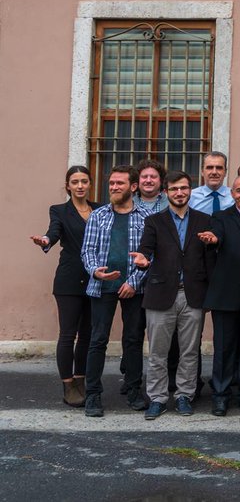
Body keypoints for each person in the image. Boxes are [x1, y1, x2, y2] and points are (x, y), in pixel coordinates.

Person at [130, 171, 211, 420]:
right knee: (158, 351)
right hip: (161, 294)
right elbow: (146, 250)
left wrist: (215, 243)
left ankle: (185, 395)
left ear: (190, 190)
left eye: (184, 188)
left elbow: (210, 258)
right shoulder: (154, 221)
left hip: (193, 295)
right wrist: (143, 261)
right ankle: (157, 397)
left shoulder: (204, 220)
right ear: (166, 192)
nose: (179, 193)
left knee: (189, 351)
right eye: (174, 189)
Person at [80, 165, 152, 417]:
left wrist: (134, 281)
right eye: (111, 183)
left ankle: (133, 390)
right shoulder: (98, 216)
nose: (113, 187)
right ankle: (93, 395)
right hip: (101, 287)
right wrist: (94, 270)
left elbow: (150, 253)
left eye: (119, 184)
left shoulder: (146, 217)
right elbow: (87, 250)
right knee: (97, 340)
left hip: (134, 288)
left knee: (133, 340)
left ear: (133, 187)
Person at [197, 174, 240, 417]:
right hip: (226, 292)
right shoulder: (221, 217)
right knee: (224, 347)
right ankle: (221, 396)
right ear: (232, 193)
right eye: (239, 191)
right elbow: (216, 236)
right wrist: (213, 240)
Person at [30, 166, 99, 407]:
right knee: (68, 334)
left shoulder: (100, 209)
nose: (80, 185)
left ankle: (81, 380)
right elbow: (53, 233)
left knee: (88, 335)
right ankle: (68, 384)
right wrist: (45, 241)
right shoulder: (59, 210)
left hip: (95, 278)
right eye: (75, 182)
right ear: (67, 186)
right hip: (69, 280)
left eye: (84, 181)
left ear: (90, 184)